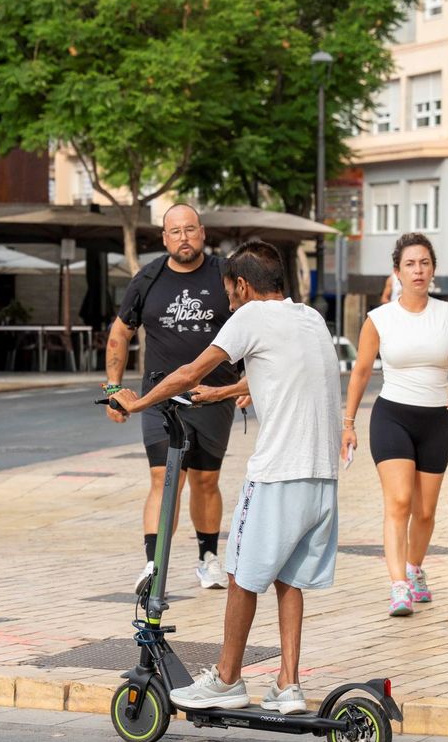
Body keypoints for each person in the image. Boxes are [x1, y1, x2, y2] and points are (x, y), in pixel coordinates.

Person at [111, 240, 341, 713]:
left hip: (277, 473)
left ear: (241, 284)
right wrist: (222, 394)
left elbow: (191, 368)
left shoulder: (250, 317)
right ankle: (288, 684)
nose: (228, 301)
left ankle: (228, 679)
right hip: (322, 478)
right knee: (287, 578)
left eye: (229, 292)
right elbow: (281, 371)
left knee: (239, 572)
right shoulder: (310, 318)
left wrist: (137, 402)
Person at [102, 203, 239, 595]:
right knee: (165, 477)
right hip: (160, 397)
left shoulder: (225, 274)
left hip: (213, 394)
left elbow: (253, 326)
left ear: (203, 233)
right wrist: (114, 389)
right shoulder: (147, 279)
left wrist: (245, 380)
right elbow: (119, 333)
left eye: (190, 230)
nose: (184, 238)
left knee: (206, 480)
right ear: (164, 238)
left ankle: (208, 558)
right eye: (175, 231)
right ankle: (153, 563)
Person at [343, 234, 448, 617]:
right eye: (410, 264)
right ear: (397, 272)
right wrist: (348, 423)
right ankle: (398, 585)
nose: (418, 270)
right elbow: (361, 372)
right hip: (392, 417)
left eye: (424, 263)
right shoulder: (379, 318)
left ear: (432, 269)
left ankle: (416, 569)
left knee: (425, 511)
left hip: (436, 418)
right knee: (399, 502)